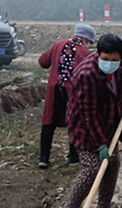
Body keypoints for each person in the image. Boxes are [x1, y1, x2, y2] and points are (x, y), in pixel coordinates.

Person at [62, 34, 122, 208]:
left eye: (114, 60)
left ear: (120, 58)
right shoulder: (87, 74)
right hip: (85, 127)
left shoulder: (117, 66)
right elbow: (89, 114)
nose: (110, 63)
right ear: (98, 54)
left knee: (112, 164)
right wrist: (101, 144)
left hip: (109, 121)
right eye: (105, 59)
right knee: (93, 167)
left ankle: (103, 207)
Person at [37, 23, 95, 169]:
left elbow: (43, 62)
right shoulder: (85, 53)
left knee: (49, 122)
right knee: (74, 122)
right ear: (85, 39)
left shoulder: (58, 44)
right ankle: (74, 156)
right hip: (73, 91)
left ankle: (44, 158)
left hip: (54, 89)